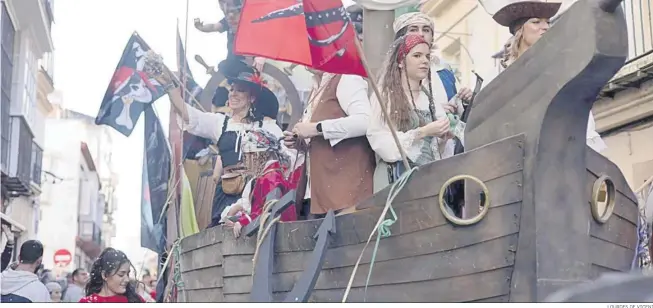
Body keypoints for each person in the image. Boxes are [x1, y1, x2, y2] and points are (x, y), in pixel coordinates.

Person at [169, 60, 300, 228]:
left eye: (241, 90)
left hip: (258, 195)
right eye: (232, 89)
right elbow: (190, 116)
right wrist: (170, 90)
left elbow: (287, 159)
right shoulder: (221, 123)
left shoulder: (268, 126)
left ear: (252, 97)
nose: (233, 94)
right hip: (228, 194)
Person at [283, 10, 374, 219]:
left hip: (345, 195)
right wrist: (301, 142)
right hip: (319, 193)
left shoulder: (346, 78)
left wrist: (316, 128)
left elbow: (365, 121)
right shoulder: (318, 87)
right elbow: (320, 139)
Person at [490, 0, 607, 152]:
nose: (545, 27)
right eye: (536, 22)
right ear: (520, 31)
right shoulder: (502, 74)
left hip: (563, 148)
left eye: (547, 22)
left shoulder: (559, 68)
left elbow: (578, 113)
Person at [367, 34, 455, 192]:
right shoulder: (385, 96)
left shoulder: (428, 97)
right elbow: (380, 140)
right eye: (417, 56)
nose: (425, 61)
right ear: (401, 61)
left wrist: (443, 137)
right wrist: (422, 132)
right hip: (395, 179)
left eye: (427, 56)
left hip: (427, 179)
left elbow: (434, 150)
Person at [79, 248, 144, 303]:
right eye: (121, 275)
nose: (127, 279)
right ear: (104, 275)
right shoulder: (87, 302)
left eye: (128, 274)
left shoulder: (136, 300)